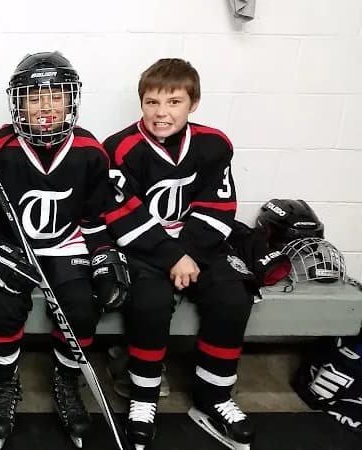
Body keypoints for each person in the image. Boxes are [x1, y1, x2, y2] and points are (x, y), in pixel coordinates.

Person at [0, 51, 130, 449]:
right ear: (19, 103)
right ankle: (5, 383)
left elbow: (95, 218)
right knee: (1, 304)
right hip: (13, 247)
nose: (46, 107)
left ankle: (66, 379)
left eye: (56, 96)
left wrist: (105, 257)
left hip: (65, 244)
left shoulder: (90, 151)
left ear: (71, 100)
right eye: (35, 97)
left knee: (80, 306)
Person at [101, 58, 256, 450]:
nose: (162, 112)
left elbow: (219, 208)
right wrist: (170, 255)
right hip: (144, 248)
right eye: (152, 102)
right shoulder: (120, 148)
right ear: (141, 103)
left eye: (174, 102)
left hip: (198, 247)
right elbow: (122, 215)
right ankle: (144, 397)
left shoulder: (214, 144)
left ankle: (214, 397)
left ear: (194, 103)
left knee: (232, 298)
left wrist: (186, 254)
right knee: (149, 303)